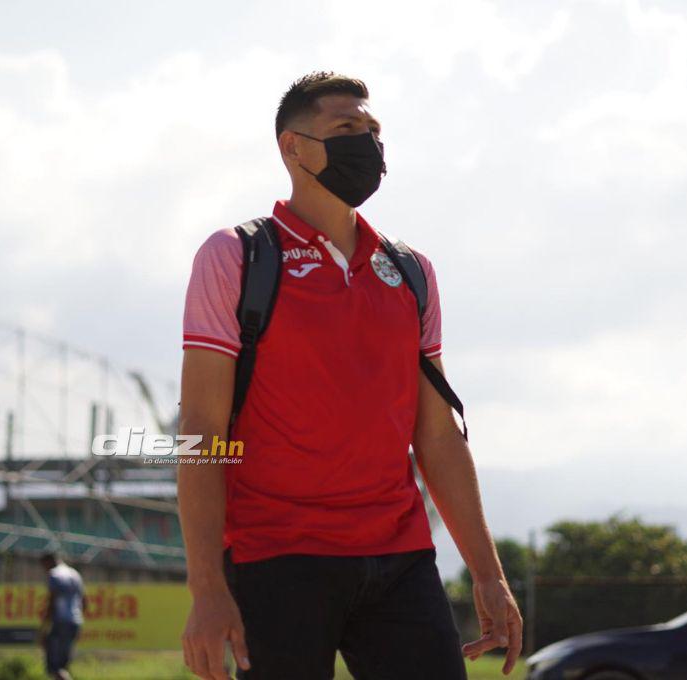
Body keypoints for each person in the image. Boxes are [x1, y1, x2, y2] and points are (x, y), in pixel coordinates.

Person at [178, 71, 523, 680]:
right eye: (346, 128)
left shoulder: (410, 270)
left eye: (373, 130)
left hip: (400, 560)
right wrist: (207, 590)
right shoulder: (236, 256)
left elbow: (438, 437)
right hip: (274, 557)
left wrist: (488, 573)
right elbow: (202, 431)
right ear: (292, 147)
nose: (366, 144)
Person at [38, 551, 85, 680]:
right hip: (75, 621)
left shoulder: (54, 574)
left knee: (54, 666)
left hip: (60, 622)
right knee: (63, 665)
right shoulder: (75, 574)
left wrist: (44, 628)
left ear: (48, 562)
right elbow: (83, 601)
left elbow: (52, 602)